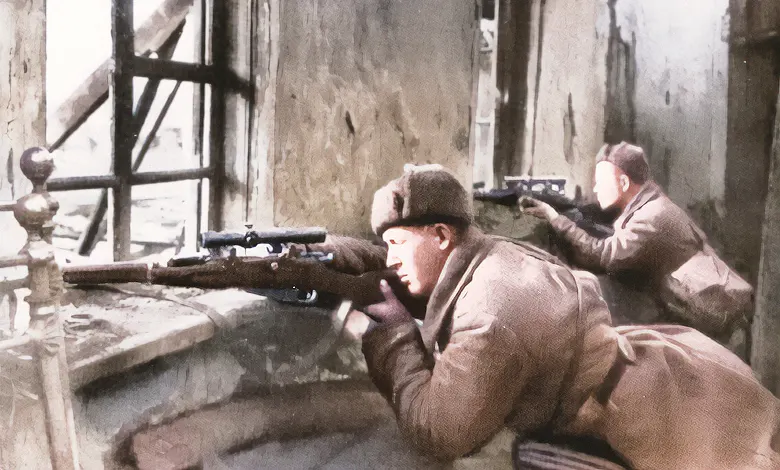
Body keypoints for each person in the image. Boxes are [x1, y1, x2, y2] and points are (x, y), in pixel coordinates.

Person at [329, 163, 779, 469]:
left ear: (441, 235)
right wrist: (327, 252)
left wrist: (394, 336)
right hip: (661, 369)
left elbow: (439, 431)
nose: (391, 259)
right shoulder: (485, 254)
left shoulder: (490, 314)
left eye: (397, 244)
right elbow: (394, 263)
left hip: (649, 413)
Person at [520, 142, 753, 345]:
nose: (595, 188)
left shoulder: (651, 218)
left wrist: (554, 218)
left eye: (601, 181)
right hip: (704, 308)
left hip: (711, 316)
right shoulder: (649, 204)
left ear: (622, 181)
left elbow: (604, 255)